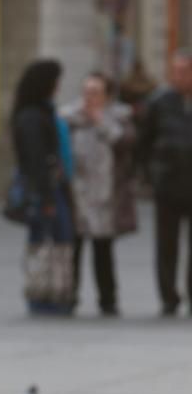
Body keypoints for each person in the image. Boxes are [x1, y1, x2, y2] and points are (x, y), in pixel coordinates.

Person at [61, 72, 138, 316]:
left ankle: (108, 299)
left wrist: (100, 121)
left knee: (103, 250)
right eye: (86, 92)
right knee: (73, 248)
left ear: (106, 96)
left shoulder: (118, 117)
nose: (89, 97)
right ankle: (68, 296)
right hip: (76, 191)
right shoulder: (69, 117)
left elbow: (126, 143)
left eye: (95, 92)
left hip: (106, 192)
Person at [12, 59, 76, 316]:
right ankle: (42, 295)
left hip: (53, 186)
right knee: (44, 241)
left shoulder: (42, 111)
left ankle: (57, 292)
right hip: (44, 190)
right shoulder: (31, 116)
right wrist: (47, 197)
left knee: (58, 241)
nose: (58, 87)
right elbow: (36, 160)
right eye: (55, 81)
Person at [138, 49, 192, 316]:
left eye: (184, 71)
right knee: (166, 244)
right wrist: (149, 176)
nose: (179, 76)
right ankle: (169, 296)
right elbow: (143, 141)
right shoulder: (159, 101)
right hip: (168, 183)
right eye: (176, 71)